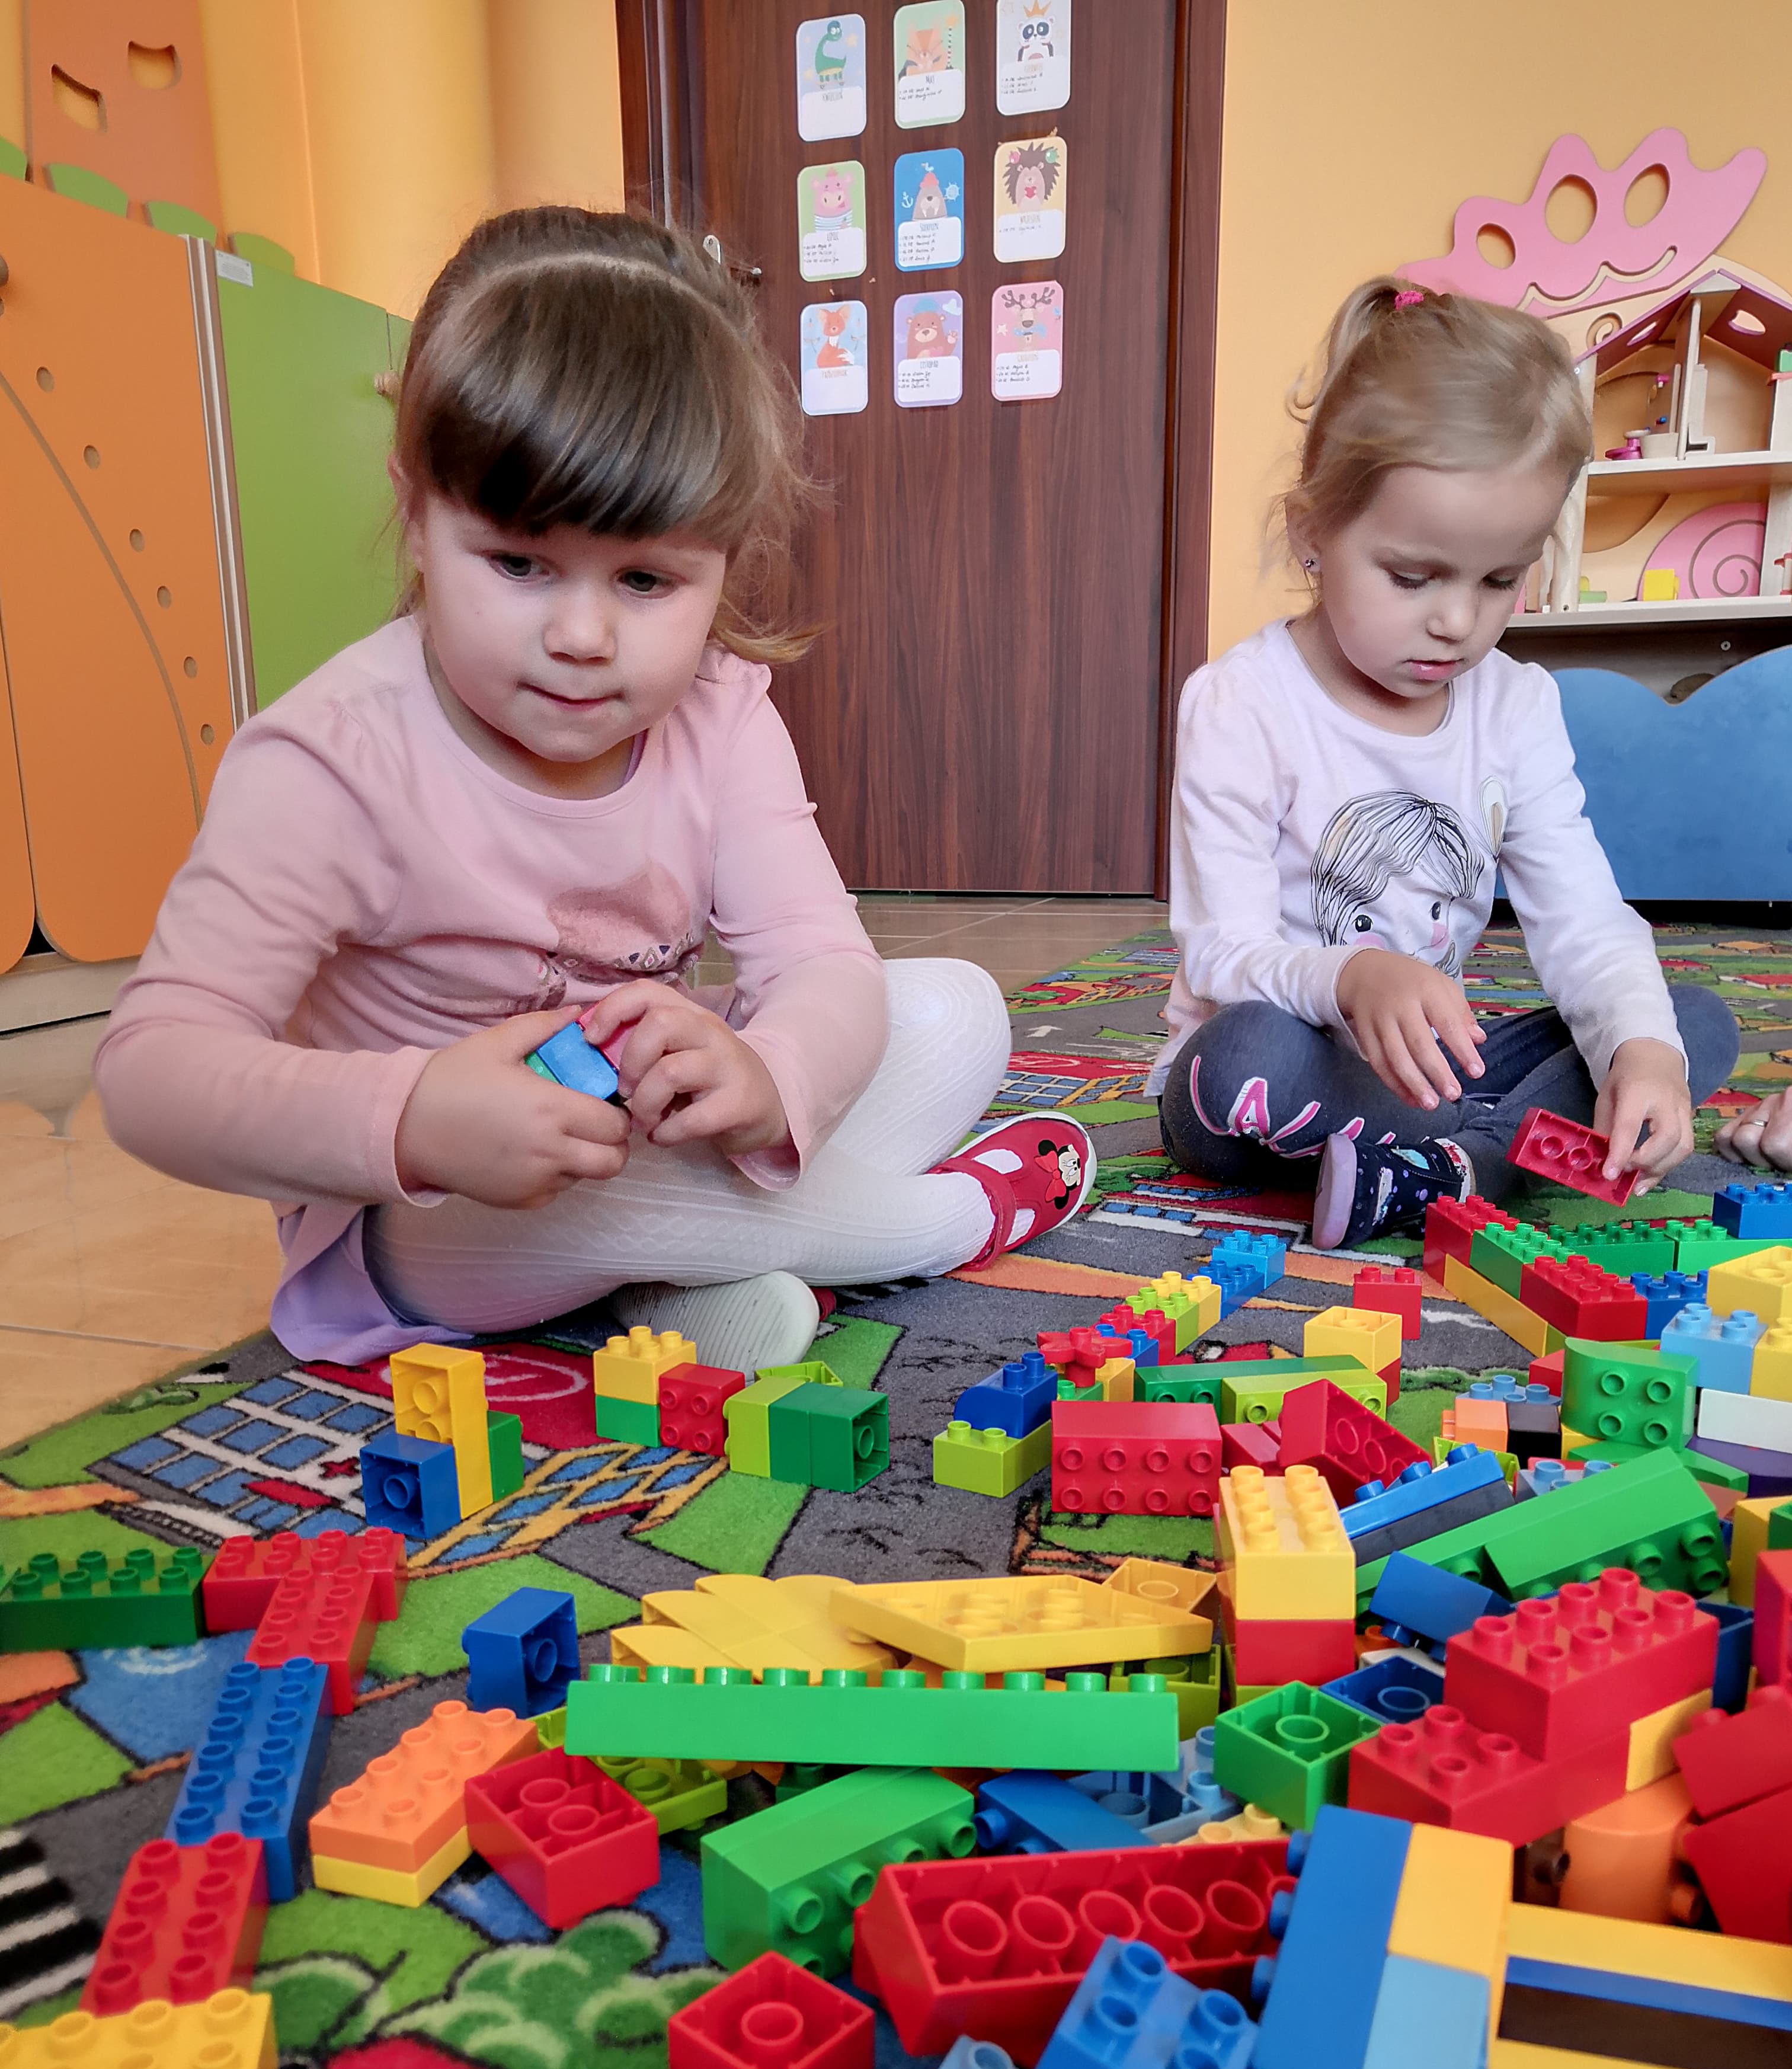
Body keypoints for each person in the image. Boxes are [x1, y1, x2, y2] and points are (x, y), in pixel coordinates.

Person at [94, 210, 1094, 1371]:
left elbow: (821, 961)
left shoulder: (720, 711)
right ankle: (947, 1221)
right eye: (520, 563)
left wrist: (768, 1079)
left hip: (637, 1142)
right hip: (428, 1222)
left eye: (645, 580)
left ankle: (684, 1290)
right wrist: (415, 1118)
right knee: (614, 1190)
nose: (581, 635)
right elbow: (153, 1071)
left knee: (956, 1009)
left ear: (725, 556)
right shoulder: (329, 762)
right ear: (415, 513)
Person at [1152, 277, 1738, 1248]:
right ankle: (1489, 1155)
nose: (1459, 621)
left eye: (1501, 578)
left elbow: (1585, 921)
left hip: (1432, 1075)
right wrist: (1351, 978)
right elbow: (1222, 954)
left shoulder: (1516, 705)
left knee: (1686, 1023)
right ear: (1311, 532)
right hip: (1282, 1066)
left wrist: (1642, 1053)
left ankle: (1448, 1165)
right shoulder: (1242, 702)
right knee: (1240, 1057)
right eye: (1412, 576)